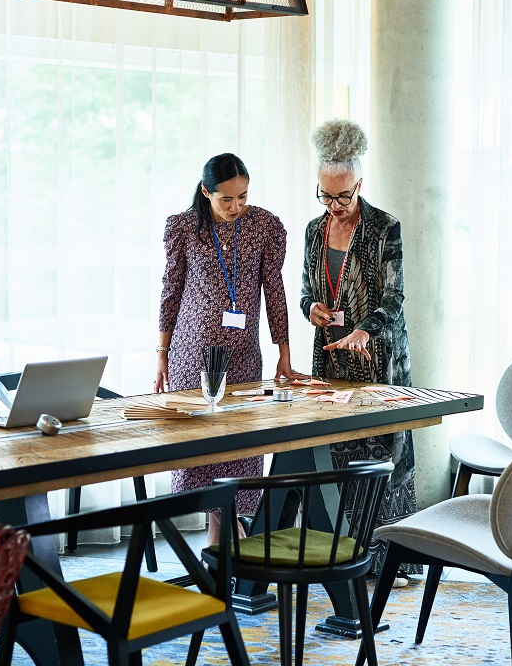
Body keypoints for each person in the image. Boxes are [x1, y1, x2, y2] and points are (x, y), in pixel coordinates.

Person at [156, 152, 302, 544]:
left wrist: (283, 351)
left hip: (242, 360)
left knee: (238, 454)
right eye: (227, 200)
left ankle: (223, 556)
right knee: (200, 457)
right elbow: (171, 292)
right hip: (191, 356)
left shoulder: (264, 226)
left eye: (243, 197)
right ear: (206, 192)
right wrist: (161, 354)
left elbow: (274, 291)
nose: (237, 207)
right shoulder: (184, 228)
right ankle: (224, 554)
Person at [298, 119, 418, 584]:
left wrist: (366, 330)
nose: (334, 206)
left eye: (343, 196)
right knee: (341, 458)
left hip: (377, 358)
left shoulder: (385, 227)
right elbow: (307, 288)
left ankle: (393, 558)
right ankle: (350, 553)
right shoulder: (314, 229)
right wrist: (313, 309)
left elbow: (394, 297)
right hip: (331, 358)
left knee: (385, 457)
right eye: (325, 196)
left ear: (359, 184)